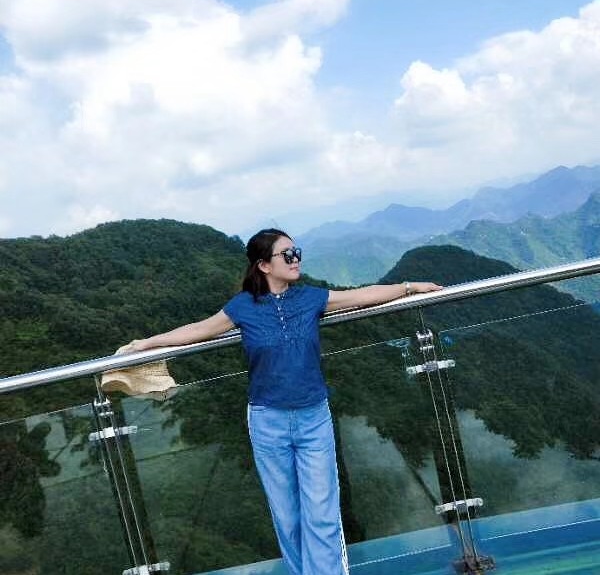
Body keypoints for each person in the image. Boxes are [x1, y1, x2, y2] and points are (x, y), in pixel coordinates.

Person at [126, 228, 442, 575]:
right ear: (264, 265)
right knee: (287, 515)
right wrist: (147, 344)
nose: (296, 260)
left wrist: (410, 287)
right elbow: (199, 329)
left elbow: (362, 295)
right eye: (287, 254)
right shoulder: (243, 306)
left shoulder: (309, 298)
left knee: (322, 512)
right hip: (267, 421)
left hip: (313, 418)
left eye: (297, 252)